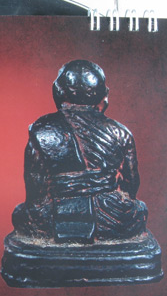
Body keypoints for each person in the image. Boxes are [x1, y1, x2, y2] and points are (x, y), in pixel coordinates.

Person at [12, 60, 148, 243]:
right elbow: (131, 185)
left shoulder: (42, 129)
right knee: (138, 210)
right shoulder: (119, 132)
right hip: (108, 215)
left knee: (22, 214)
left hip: (53, 215)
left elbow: (34, 187)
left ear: (58, 91)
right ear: (104, 94)